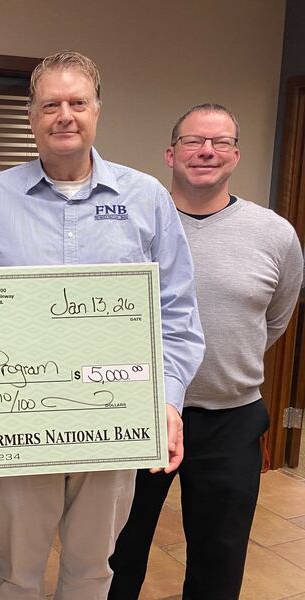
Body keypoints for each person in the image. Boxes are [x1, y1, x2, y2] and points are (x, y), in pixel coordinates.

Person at [0, 51, 205, 600]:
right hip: (19, 420)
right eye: (50, 104)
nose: (65, 115)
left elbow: (177, 314)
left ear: (97, 111)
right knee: (16, 570)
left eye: (77, 102)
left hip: (114, 417)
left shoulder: (146, 198)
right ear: (31, 116)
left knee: (94, 568)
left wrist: (167, 403)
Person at [108, 104, 304, 600]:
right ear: (170, 153)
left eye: (220, 142)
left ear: (236, 155)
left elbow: (274, 320)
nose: (207, 151)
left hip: (230, 421)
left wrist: (223, 362)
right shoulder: (128, 227)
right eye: (195, 141)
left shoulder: (275, 234)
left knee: (219, 557)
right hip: (139, 412)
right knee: (116, 551)